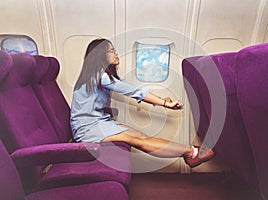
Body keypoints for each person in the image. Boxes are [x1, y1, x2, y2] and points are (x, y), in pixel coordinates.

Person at [70, 38, 215, 168]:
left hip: (98, 121)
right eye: (111, 50)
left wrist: (160, 100)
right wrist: (165, 104)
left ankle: (189, 154)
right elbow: (134, 92)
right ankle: (191, 152)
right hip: (87, 128)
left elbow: (130, 87)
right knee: (138, 140)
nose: (116, 53)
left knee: (142, 136)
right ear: (100, 55)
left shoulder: (102, 75)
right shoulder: (100, 76)